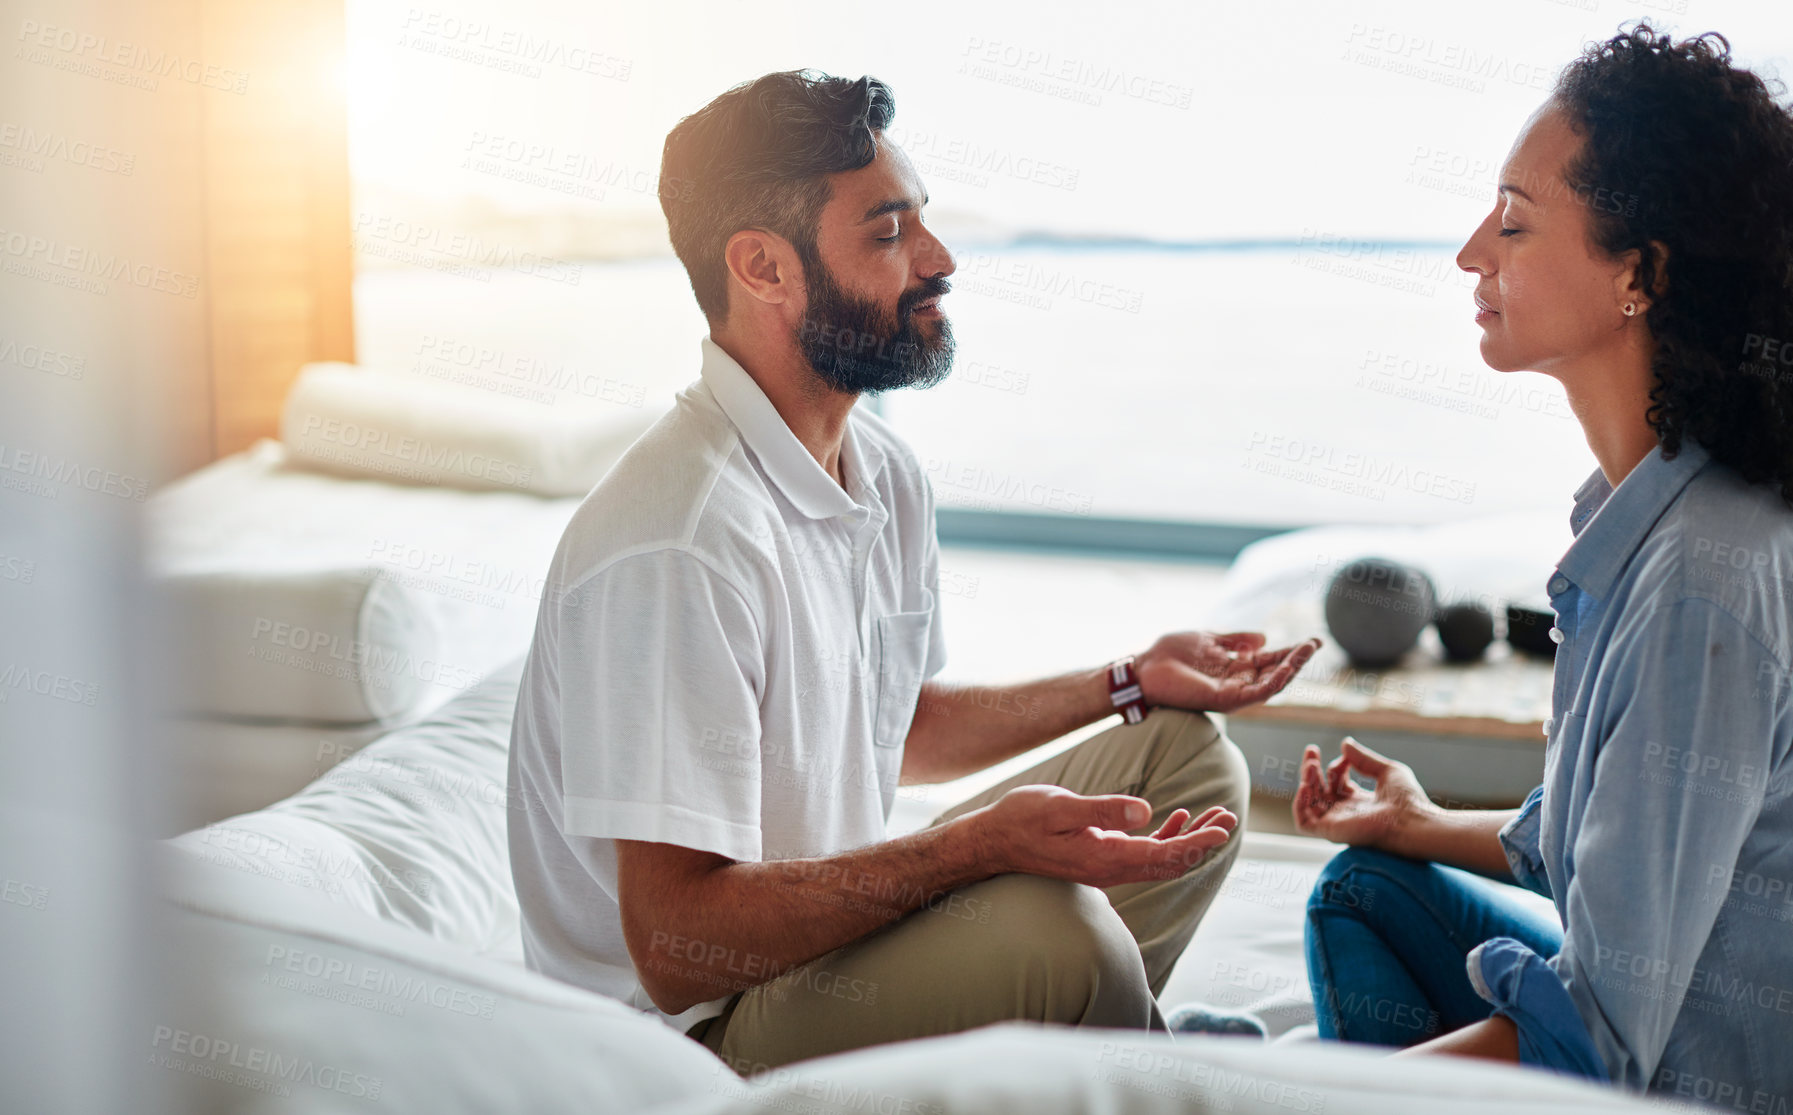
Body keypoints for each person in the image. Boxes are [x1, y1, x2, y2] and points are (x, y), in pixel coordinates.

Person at [506, 69, 1322, 1075]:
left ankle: (1095, 1048)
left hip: (824, 944)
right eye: (888, 233)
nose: (938, 260)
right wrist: (972, 850)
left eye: (920, 222)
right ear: (763, 267)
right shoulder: (677, 543)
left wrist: (1128, 679)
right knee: (1058, 930)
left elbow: (900, 729)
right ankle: (1127, 1057)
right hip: (699, 1039)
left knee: (1182, 759)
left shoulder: (878, 469)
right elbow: (676, 948)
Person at [1294, 23, 1793, 1106]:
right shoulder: (1648, 508)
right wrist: (1417, 823)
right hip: (1637, 1024)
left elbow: (1597, 1044)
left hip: (1683, 1080)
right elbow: (1615, 849)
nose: (1471, 251)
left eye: (1513, 223)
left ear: (1639, 274)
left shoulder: (1702, 579)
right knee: (1369, 884)